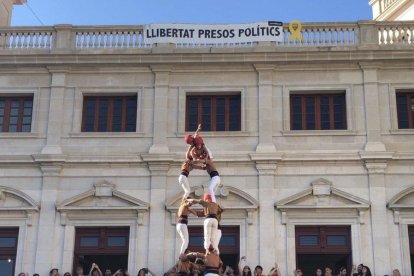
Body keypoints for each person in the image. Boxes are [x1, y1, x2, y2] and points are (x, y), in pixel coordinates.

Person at [179, 124, 221, 202]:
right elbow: (192, 158)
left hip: (205, 158)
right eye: (190, 144)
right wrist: (195, 160)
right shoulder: (191, 152)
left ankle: (213, 203)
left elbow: (206, 153)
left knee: (209, 190)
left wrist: (198, 129)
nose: (191, 145)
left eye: (191, 143)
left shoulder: (199, 144)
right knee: (209, 190)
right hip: (202, 161)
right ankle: (184, 201)